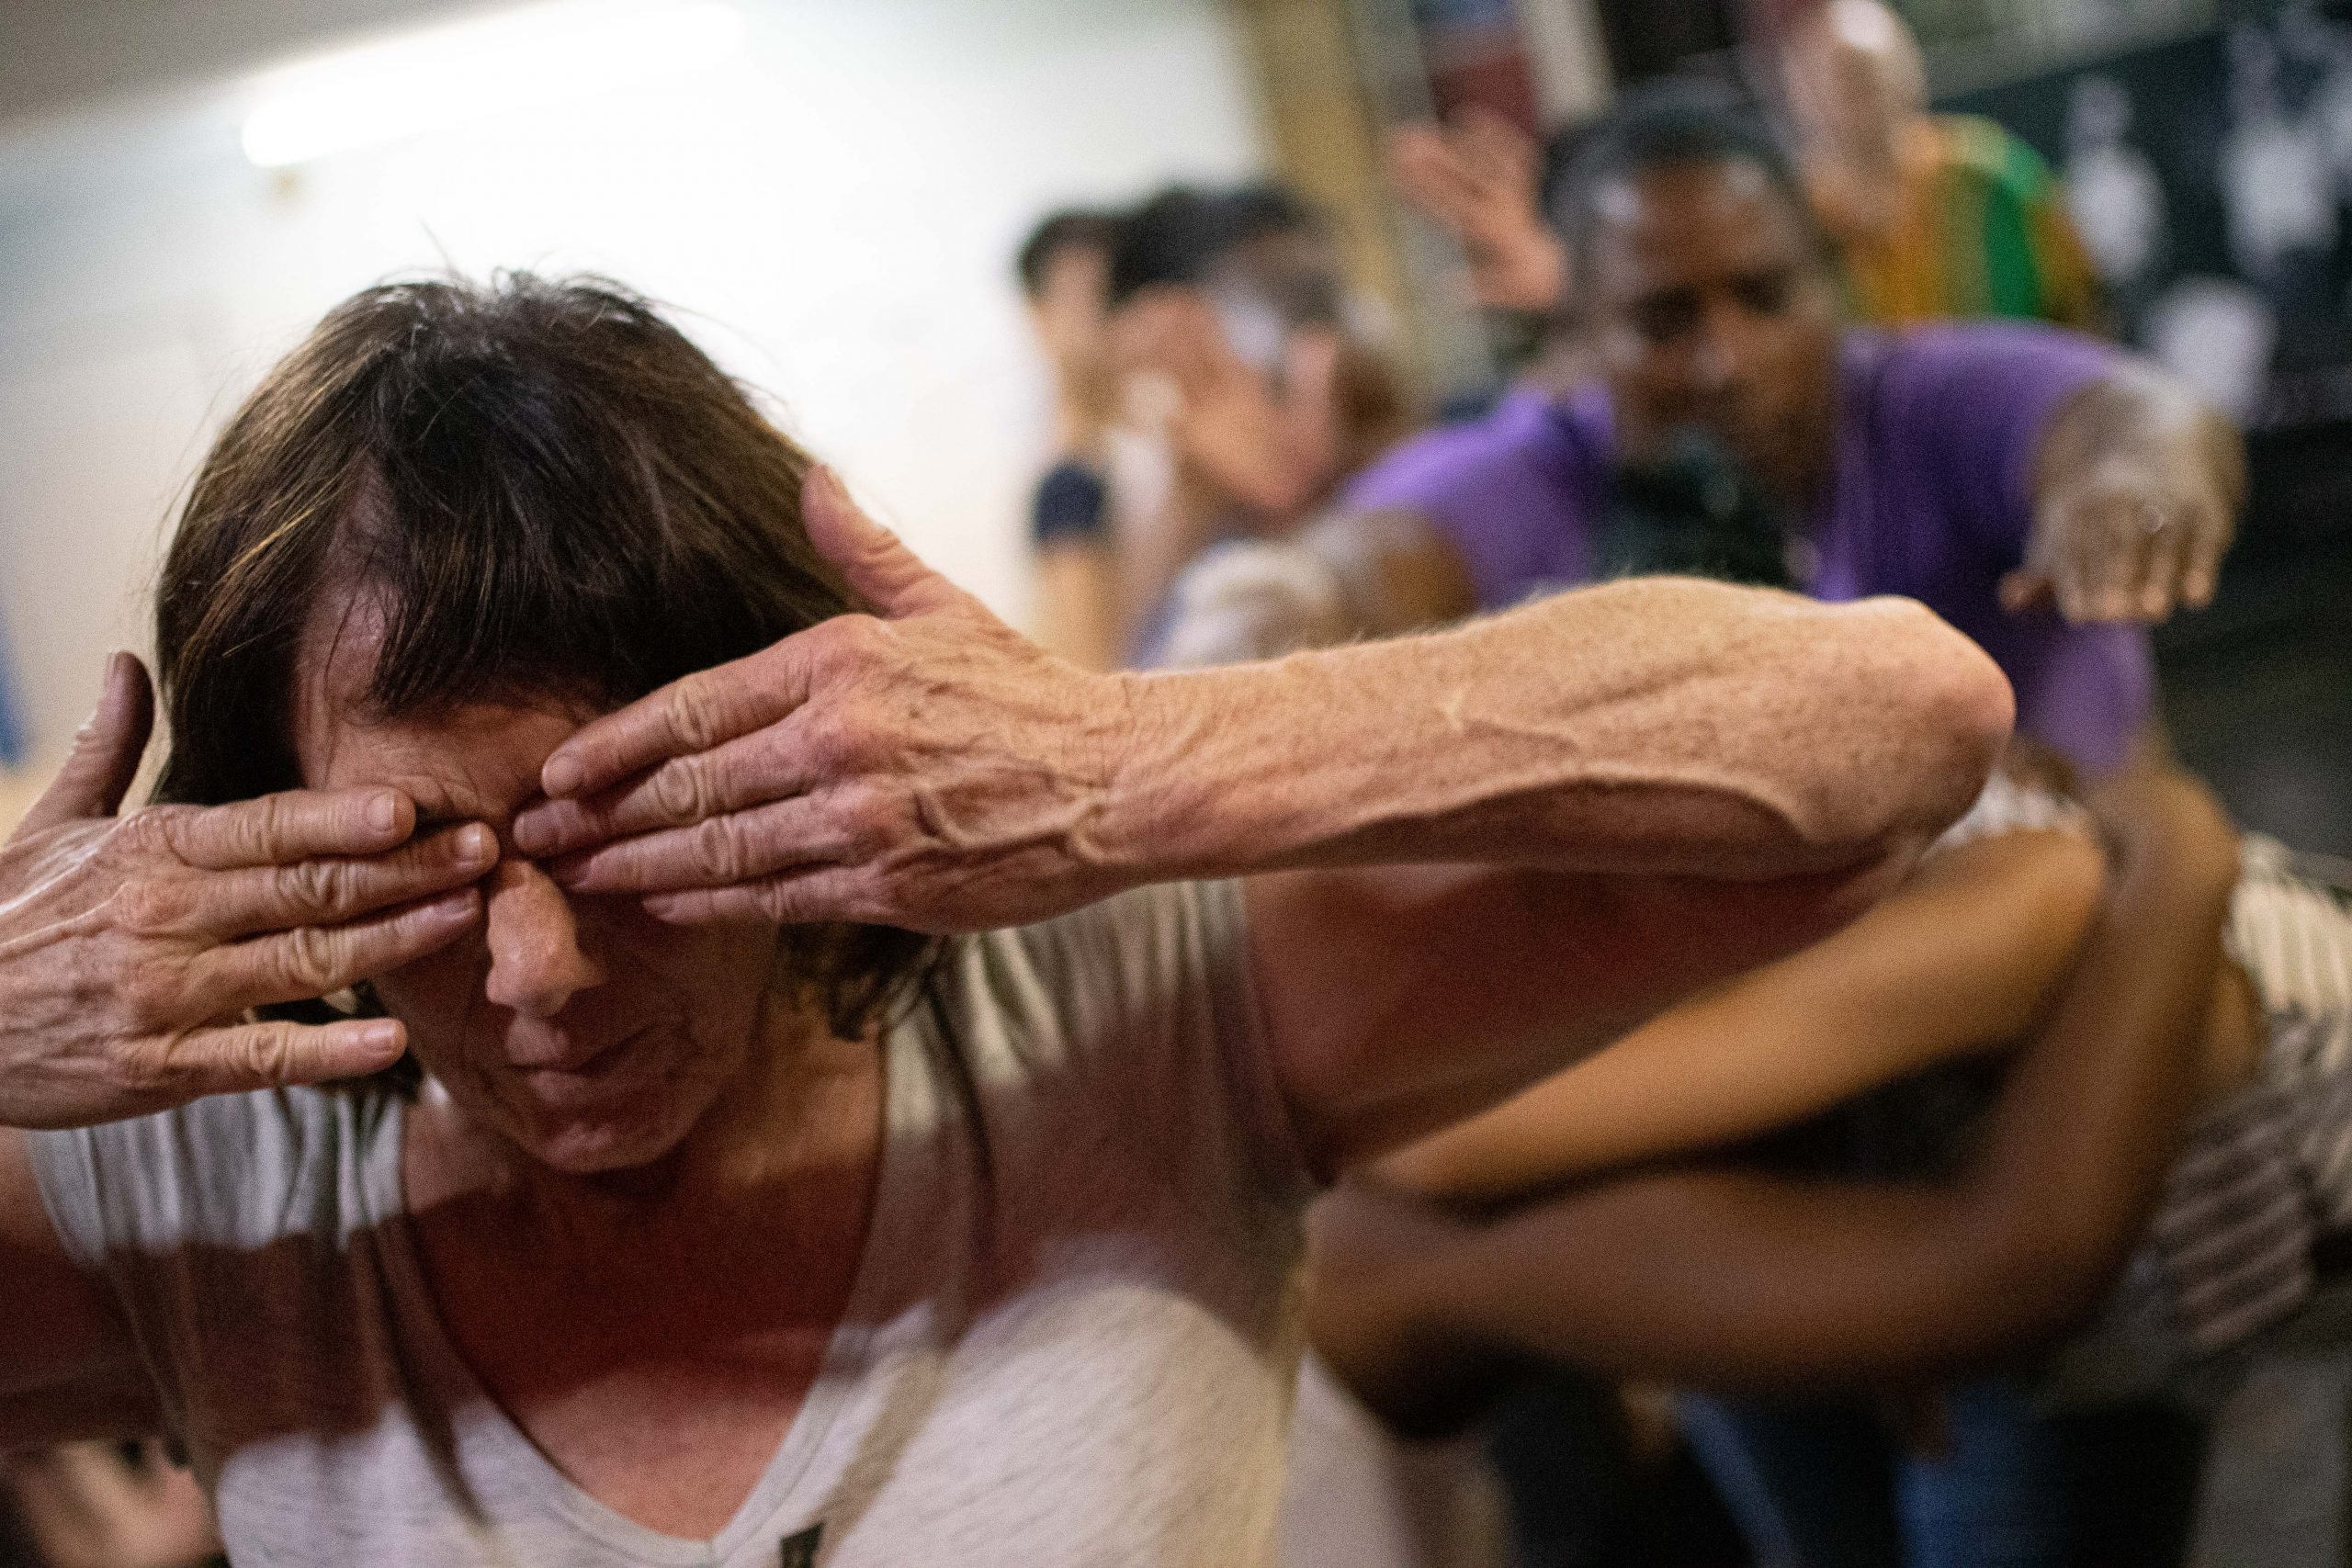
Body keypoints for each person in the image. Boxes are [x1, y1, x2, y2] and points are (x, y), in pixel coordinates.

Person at [0, 275, 2012, 1565]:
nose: (538, 971)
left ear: (787, 729)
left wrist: (1127, 764)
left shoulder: (1118, 1018)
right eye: (415, 866)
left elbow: (1898, 727)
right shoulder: (206, 1198)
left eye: (621, 831)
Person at [1311, 751, 2352, 1563]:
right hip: (2117, 1254)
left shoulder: (2020, 904)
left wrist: (2177, 842)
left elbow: (2027, 1265)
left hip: (2147, 1234)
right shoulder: (1990, 906)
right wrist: (2177, 836)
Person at [1311, 93, 2242, 777]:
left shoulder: (1920, 398)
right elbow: (1340, 573)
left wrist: (2121, 491)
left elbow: (2132, 413)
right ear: (1583, 333)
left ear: (1828, 282)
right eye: (1663, 319)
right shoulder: (1548, 467)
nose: (1724, 358)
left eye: (1763, 297)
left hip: (2091, 890)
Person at [1780, 0, 2100, 333]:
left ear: (1907, 74)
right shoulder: (1798, 218)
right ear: (1799, 95)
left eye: (1863, 75)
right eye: (1829, 80)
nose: (1849, 100)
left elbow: (2083, 299)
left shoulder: (1990, 176)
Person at [1014, 209, 1125, 671]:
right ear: (1039, 315)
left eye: (1113, 296)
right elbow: (1090, 667)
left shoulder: (1146, 443)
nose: (1101, 319)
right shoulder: (1067, 485)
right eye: (1083, 299)